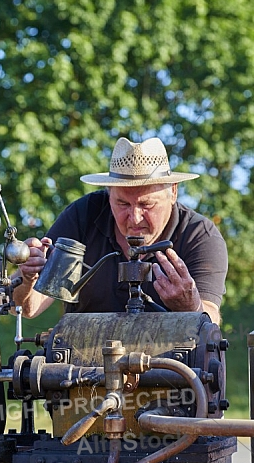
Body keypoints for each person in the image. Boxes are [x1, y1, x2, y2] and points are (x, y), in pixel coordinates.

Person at [12, 136, 227, 325]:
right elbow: (28, 308)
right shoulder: (84, 216)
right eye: (123, 204)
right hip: (84, 366)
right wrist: (28, 277)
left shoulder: (199, 236)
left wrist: (191, 307)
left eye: (147, 205)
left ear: (173, 192)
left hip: (169, 367)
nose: (134, 218)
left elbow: (211, 319)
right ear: (109, 192)